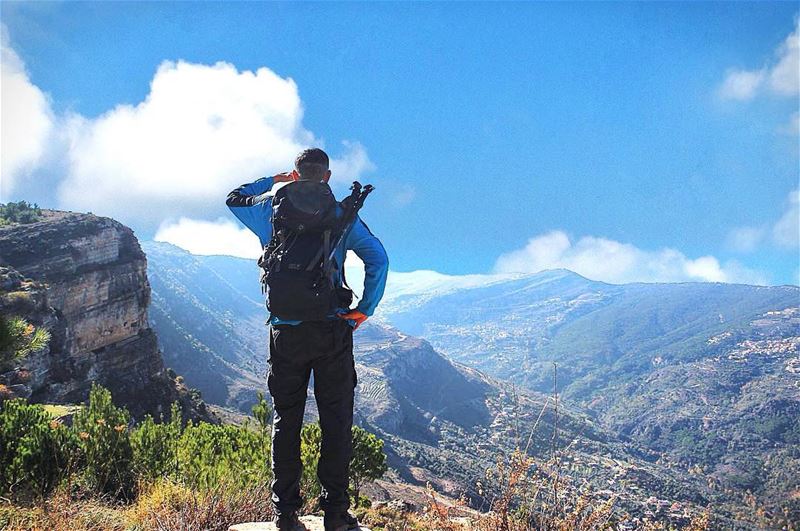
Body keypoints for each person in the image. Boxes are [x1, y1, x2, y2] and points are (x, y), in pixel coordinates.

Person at [226, 148, 389, 531]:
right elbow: (377, 258)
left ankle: (285, 513)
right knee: (336, 421)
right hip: (332, 331)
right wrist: (365, 308)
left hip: (285, 331)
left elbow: (235, 197)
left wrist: (274, 180)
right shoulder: (341, 215)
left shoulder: (269, 210)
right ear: (328, 177)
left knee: (287, 420)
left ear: (296, 176)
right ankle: (335, 514)